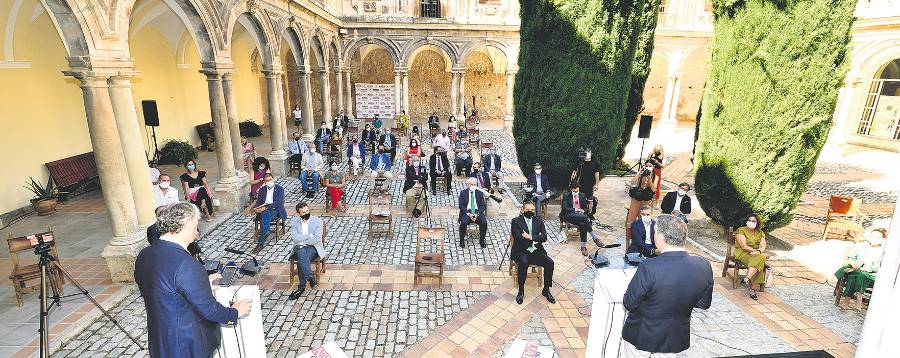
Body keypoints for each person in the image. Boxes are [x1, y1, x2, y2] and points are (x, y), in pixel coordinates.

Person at [135, 202, 252, 358]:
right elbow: (209, 310)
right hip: (186, 345)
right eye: (196, 224)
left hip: (160, 339)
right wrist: (235, 312)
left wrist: (201, 285)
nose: (197, 231)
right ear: (187, 224)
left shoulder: (145, 254)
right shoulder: (186, 263)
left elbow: (164, 291)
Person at [621, 214, 713, 358]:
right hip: (674, 337)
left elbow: (629, 303)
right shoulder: (704, 265)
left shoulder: (649, 266)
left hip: (642, 334)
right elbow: (704, 303)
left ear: (660, 236)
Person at [510, 202, 555, 305]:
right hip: (521, 251)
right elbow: (519, 239)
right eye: (528, 210)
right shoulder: (516, 221)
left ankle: (546, 290)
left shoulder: (538, 220)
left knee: (550, 263)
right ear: (522, 210)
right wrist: (536, 238)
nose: (530, 212)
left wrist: (530, 237)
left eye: (532, 210)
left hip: (536, 251)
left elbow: (544, 237)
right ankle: (521, 291)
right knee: (524, 263)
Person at [835, 228, 887, 310]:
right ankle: (859, 298)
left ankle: (847, 300)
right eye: (872, 237)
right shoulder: (862, 246)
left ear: (883, 239)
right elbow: (851, 257)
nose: (873, 239)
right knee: (858, 275)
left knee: (857, 275)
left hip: (871, 274)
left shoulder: (884, 252)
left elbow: (878, 267)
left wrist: (864, 267)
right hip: (857, 271)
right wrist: (853, 263)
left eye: (877, 238)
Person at [287, 203, 326, 300]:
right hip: (299, 248)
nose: (306, 213)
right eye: (303, 212)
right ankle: (310, 278)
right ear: (299, 213)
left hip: (313, 248)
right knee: (301, 253)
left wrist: (303, 241)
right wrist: (308, 235)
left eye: (307, 211)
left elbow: (317, 239)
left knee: (301, 254)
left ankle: (301, 288)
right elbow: (295, 238)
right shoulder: (295, 222)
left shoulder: (318, 221)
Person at [561, 183, 604, 256]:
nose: (576, 191)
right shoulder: (566, 195)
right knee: (585, 218)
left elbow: (585, 208)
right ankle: (595, 238)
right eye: (574, 189)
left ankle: (583, 246)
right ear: (571, 189)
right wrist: (576, 209)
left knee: (582, 224)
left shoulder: (582, 195)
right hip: (569, 215)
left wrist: (583, 211)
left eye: (577, 189)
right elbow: (564, 208)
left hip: (580, 216)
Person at [734, 213, 768, 300]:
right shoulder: (741, 230)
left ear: (757, 223)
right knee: (761, 259)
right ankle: (753, 289)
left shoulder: (760, 233)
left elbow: (763, 246)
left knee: (759, 259)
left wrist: (759, 252)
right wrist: (756, 252)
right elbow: (744, 246)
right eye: (749, 220)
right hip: (743, 253)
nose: (750, 222)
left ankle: (747, 278)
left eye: (753, 221)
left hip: (756, 255)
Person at [251, 173, 288, 253]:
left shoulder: (279, 189)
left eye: (270, 180)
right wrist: (257, 208)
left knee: (265, 214)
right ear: (264, 182)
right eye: (267, 180)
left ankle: (260, 243)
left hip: (276, 210)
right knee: (265, 214)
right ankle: (266, 231)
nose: (269, 181)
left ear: (273, 179)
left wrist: (267, 207)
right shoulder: (262, 190)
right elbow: (258, 202)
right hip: (264, 211)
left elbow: (278, 202)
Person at [626, 162, 658, 244]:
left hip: (647, 199)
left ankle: (642, 235)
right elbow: (632, 182)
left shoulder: (655, 176)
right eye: (646, 165)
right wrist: (639, 173)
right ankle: (629, 237)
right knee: (632, 216)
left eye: (650, 166)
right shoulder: (641, 174)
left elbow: (654, 189)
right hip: (637, 198)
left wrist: (649, 178)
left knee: (644, 217)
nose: (648, 167)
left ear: (653, 167)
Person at [571, 149, 601, 220]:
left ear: (590, 153)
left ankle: (590, 214)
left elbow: (597, 174)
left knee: (590, 200)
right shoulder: (580, 161)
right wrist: (572, 181)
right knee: (579, 198)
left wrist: (597, 184)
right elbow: (575, 171)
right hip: (580, 184)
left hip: (590, 184)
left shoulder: (594, 161)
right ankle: (579, 213)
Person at [458, 178, 487, 248]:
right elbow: (461, 206)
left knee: (484, 223)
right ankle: (462, 240)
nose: (473, 186)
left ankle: (482, 240)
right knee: (464, 223)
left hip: (477, 212)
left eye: (475, 184)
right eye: (472, 184)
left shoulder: (480, 193)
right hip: (467, 212)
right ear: (468, 185)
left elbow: (483, 206)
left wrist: (477, 214)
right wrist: (469, 214)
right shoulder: (463, 193)